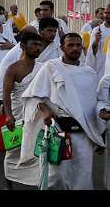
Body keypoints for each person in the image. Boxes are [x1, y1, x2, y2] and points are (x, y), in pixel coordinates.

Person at [20, 33, 105, 190]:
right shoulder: (51, 68)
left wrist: (100, 125)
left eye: (78, 45)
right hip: (57, 131)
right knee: (56, 176)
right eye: (70, 45)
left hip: (83, 133)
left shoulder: (90, 74)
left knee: (83, 174)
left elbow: (94, 104)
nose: (75, 49)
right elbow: (35, 96)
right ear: (62, 48)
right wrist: (45, 111)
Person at [1, 31, 45, 189]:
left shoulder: (43, 68)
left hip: (38, 115)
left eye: (40, 45)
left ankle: (38, 182)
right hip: (18, 114)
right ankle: (9, 182)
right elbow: (6, 93)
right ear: (23, 46)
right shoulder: (12, 69)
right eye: (34, 44)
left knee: (37, 148)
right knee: (13, 150)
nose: (38, 48)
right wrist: (8, 115)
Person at [0, 19, 60, 103]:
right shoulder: (23, 48)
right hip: (20, 95)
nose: (53, 34)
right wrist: (0, 94)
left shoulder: (57, 48)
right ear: (40, 31)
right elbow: (5, 68)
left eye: (55, 31)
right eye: (49, 30)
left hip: (43, 93)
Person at [86, 4, 110, 81]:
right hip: (101, 69)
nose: (107, 15)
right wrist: (96, 41)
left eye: (109, 13)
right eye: (106, 13)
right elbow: (91, 52)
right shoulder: (97, 30)